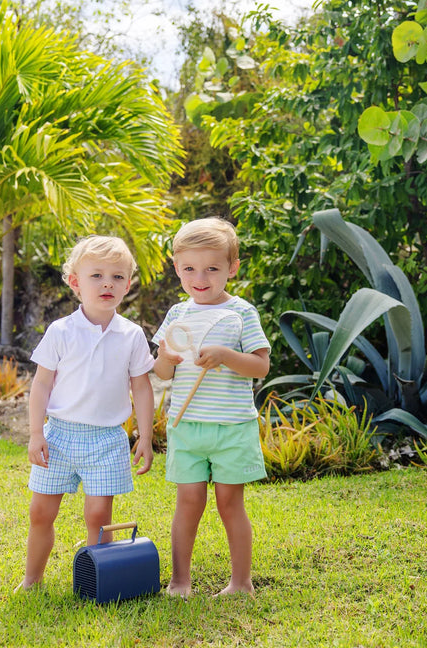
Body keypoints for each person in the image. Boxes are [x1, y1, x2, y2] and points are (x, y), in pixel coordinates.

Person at [18, 235, 155, 591]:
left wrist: (146, 435)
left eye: (117, 276)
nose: (107, 283)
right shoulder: (61, 331)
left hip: (107, 440)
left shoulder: (132, 335)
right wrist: (36, 433)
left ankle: (97, 583)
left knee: (98, 516)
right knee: (40, 513)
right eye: (96, 275)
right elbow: (41, 386)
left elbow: (141, 387)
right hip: (59, 436)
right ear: (75, 282)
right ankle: (32, 580)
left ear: (127, 284)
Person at [152, 217, 271, 597]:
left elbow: (260, 366)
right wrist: (168, 357)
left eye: (212, 268)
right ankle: (179, 581)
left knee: (229, 503)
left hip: (231, 426)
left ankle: (241, 583)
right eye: (189, 268)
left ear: (232, 268)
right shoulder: (177, 315)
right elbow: (162, 371)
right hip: (186, 426)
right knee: (188, 502)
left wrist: (225, 355)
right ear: (176, 268)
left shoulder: (242, 313)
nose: (199, 278)